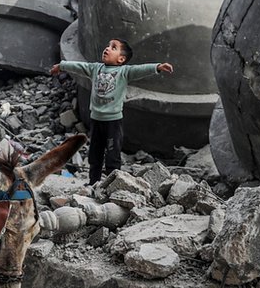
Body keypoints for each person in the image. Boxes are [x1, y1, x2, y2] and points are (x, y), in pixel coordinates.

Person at [51, 38, 174, 186]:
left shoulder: (124, 72)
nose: (107, 48)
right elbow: (79, 66)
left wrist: (158, 67)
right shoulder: (95, 69)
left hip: (113, 122)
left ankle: (113, 183)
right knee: (95, 153)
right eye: (108, 45)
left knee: (113, 154)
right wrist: (62, 66)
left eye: (113, 47)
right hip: (96, 120)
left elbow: (140, 69)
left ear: (121, 59)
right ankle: (93, 182)